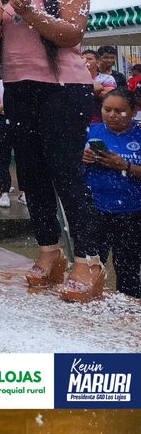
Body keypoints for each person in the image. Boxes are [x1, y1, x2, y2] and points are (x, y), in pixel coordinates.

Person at [0, 0, 103, 303]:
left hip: (63, 90)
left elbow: (71, 34)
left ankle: (89, 260)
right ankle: (49, 250)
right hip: (19, 89)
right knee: (31, 175)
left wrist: (30, 12)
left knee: (66, 173)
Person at [82, 89, 141, 298]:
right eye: (107, 110)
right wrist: (83, 157)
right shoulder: (91, 132)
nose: (112, 115)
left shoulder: (139, 134)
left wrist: (125, 166)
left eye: (120, 111)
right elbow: (69, 168)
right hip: (95, 209)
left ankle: (128, 308)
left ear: (133, 111)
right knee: (90, 266)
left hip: (132, 213)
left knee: (128, 270)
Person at [0, 78, 21, 207]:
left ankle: (24, 192)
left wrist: (5, 106)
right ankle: (4, 191)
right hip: (2, 122)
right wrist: (12, 106)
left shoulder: (22, 82)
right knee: (3, 158)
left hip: (20, 122)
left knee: (22, 158)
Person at [84, 49, 117, 123]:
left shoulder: (107, 78)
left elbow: (109, 95)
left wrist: (83, 91)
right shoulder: (75, 78)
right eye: (83, 59)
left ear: (98, 63)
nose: (85, 61)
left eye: (89, 59)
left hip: (100, 118)